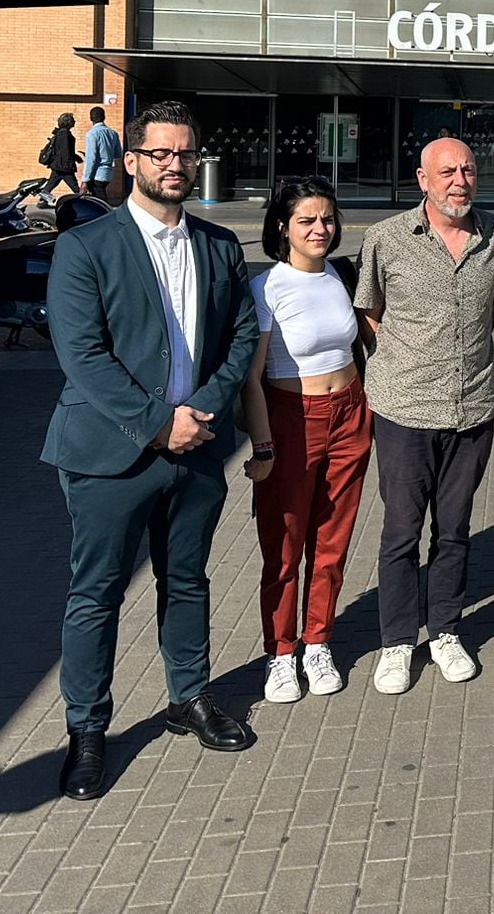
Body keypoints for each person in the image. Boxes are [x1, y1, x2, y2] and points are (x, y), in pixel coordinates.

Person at [41, 100, 260, 802]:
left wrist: (204, 410)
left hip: (197, 448)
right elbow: (80, 354)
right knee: (95, 594)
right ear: (130, 159)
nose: (174, 164)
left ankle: (186, 698)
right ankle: (87, 732)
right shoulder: (85, 247)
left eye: (185, 153)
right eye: (160, 153)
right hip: (111, 454)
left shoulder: (222, 246)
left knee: (188, 581)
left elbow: (241, 339)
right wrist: (158, 423)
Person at [354, 136, 494, 695]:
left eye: (468, 170)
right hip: (404, 410)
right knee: (402, 531)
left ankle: (445, 630)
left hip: (471, 407)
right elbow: (368, 314)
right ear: (422, 179)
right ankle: (398, 641)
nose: (459, 181)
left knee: (455, 531)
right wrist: (406, 365)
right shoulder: (386, 239)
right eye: (446, 171)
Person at [239, 177, 372, 704]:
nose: (321, 229)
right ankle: (281, 652)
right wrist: (264, 446)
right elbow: (251, 378)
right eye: (307, 221)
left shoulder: (340, 276)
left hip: (350, 413)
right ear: (282, 227)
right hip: (292, 417)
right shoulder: (267, 287)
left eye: (327, 219)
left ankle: (318, 641)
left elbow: (369, 341)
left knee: (333, 541)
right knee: (286, 542)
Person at [84, 106, 123, 206]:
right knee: (97, 200)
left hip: (96, 173)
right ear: (104, 117)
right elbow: (118, 154)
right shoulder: (113, 133)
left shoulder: (92, 134)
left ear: (91, 118)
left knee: (101, 203)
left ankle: (108, 218)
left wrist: (85, 179)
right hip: (108, 171)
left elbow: (91, 158)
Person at [40, 112, 82, 199]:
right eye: (73, 120)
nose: (75, 121)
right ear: (68, 122)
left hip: (58, 165)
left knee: (51, 184)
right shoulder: (65, 134)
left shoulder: (60, 133)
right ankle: (84, 200)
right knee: (75, 187)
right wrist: (72, 162)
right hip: (64, 166)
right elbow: (65, 151)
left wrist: (76, 157)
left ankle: (42, 201)